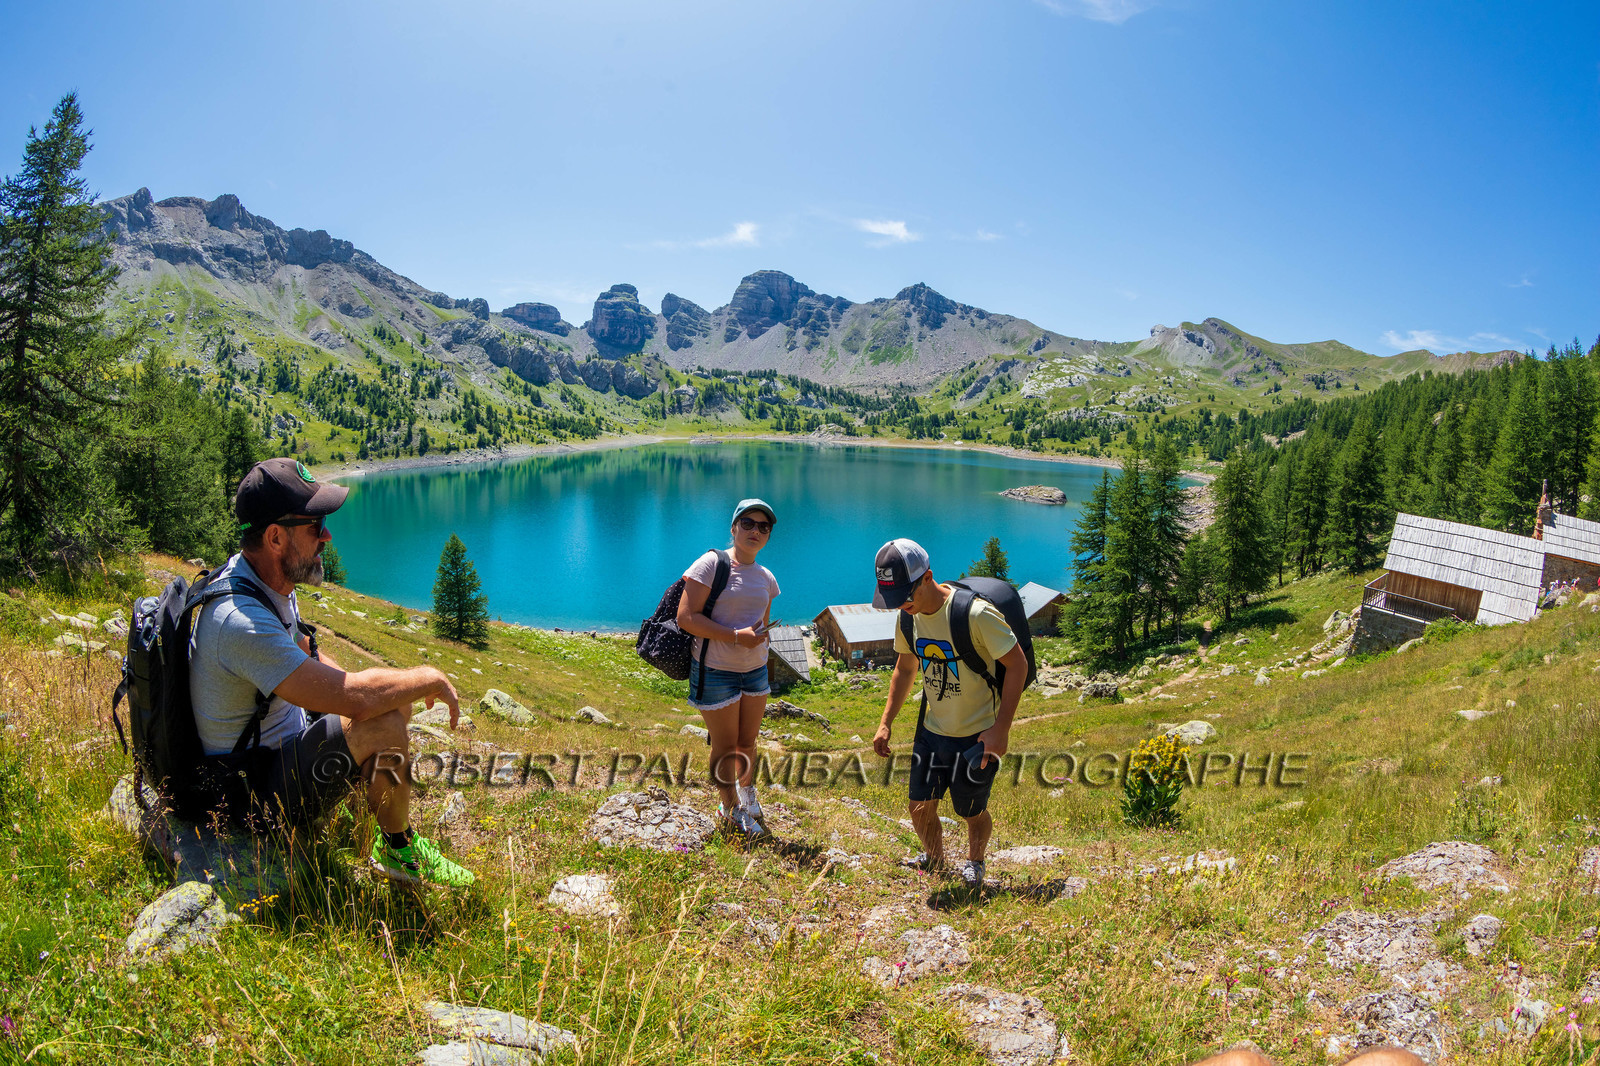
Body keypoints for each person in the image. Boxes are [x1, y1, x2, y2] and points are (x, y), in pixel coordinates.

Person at [189, 457, 474, 888]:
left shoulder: (264, 581)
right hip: (250, 796)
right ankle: (398, 850)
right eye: (314, 525)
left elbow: (311, 657)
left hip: (276, 755)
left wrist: (371, 697)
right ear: (275, 537)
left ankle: (374, 807)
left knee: (389, 706)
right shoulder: (240, 620)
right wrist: (427, 677)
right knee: (382, 723)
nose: (327, 535)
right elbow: (356, 697)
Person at [870, 538, 1026, 888]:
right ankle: (936, 861)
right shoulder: (907, 619)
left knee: (970, 811)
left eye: (906, 597)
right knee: (919, 806)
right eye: (895, 600)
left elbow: (1017, 664)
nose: (902, 606)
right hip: (932, 729)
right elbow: (905, 669)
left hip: (977, 734)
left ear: (926, 577)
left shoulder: (975, 614)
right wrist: (885, 723)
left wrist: (1001, 730)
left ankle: (975, 863)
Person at [675, 499, 781, 836]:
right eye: (748, 523)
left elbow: (760, 626)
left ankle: (747, 794)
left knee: (747, 742)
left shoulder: (766, 578)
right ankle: (730, 807)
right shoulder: (711, 564)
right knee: (724, 745)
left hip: (754, 671)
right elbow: (686, 618)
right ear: (733, 527)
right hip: (716, 669)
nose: (755, 531)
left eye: (763, 527)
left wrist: (756, 641)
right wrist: (736, 637)